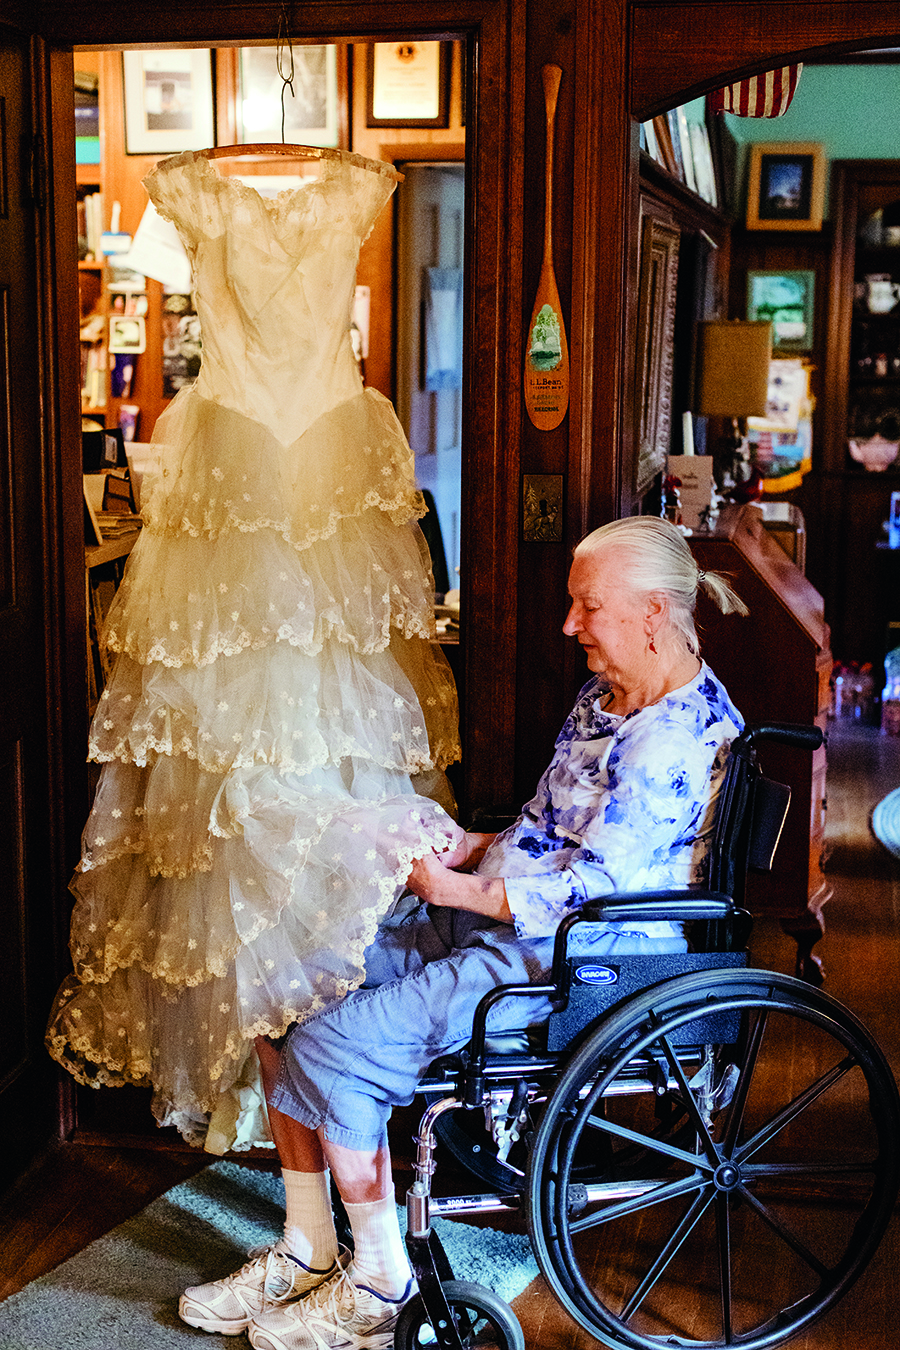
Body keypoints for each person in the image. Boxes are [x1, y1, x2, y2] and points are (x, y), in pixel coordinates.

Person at [178, 516, 747, 1350]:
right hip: (501, 918)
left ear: (654, 612)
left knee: (332, 1045)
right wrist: (472, 849)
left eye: (587, 607)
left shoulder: (666, 741)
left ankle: (377, 1283)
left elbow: (595, 888)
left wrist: (454, 887)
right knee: (282, 991)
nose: (569, 625)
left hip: (576, 957)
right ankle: (307, 1248)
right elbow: (549, 831)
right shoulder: (610, 698)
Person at [46, 146, 461, 1154]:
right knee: (223, 778)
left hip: (322, 453)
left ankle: (333, 1058)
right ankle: (251, 1071)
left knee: (326, 737)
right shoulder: (191, 189)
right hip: (233, 454)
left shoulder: (361, 187)